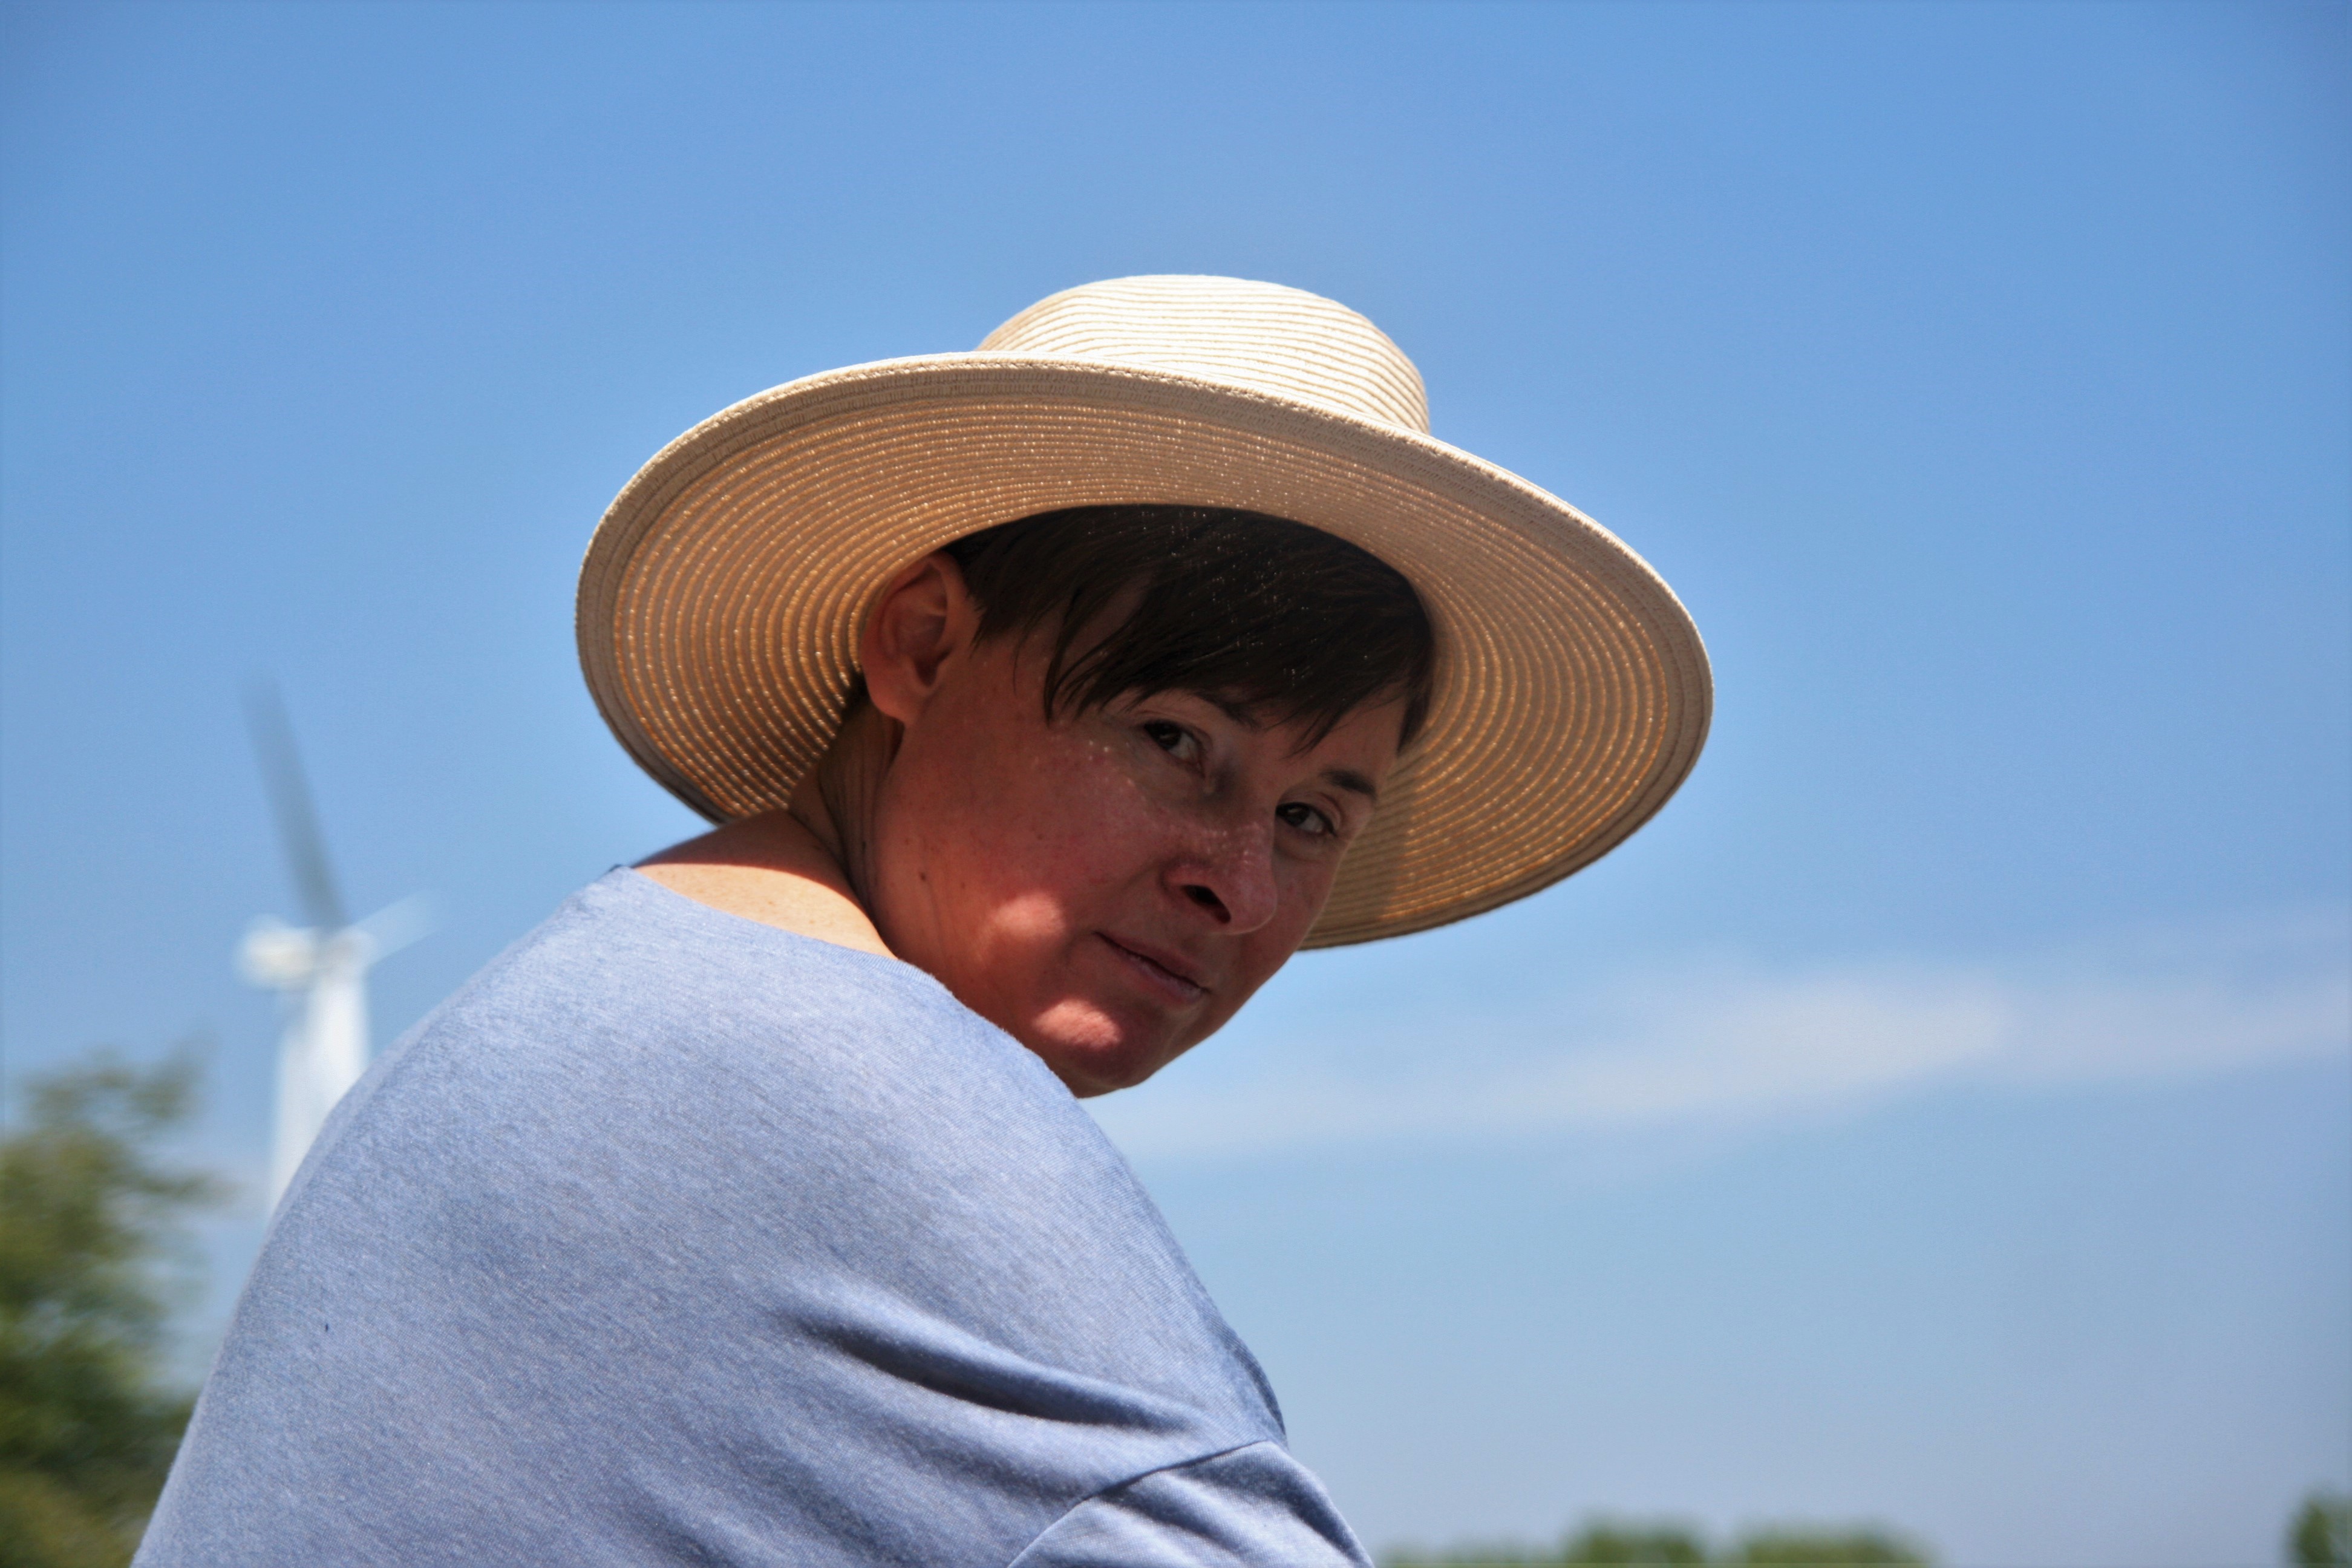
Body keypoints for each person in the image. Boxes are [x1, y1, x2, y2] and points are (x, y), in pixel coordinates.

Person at [138, 276, 1710, 1566]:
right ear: (920, 642)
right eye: (1174, 739)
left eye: (1311, 818)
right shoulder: (858, 1092)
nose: (1240, 885)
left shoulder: (580, 1004)